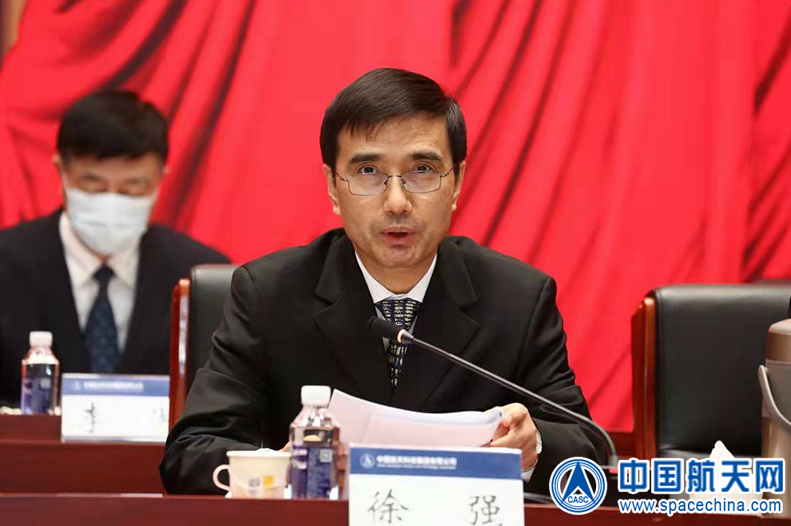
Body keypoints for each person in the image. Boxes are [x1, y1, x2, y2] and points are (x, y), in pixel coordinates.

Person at [160, 68, 606, 494]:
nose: (396, 202)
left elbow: (587, 451)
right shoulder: (269, 294)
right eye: (368, 172)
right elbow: (191, 453)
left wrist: (534, 445)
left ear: (457, 183)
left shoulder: (517, 299)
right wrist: (284, 468)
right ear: (333, 186)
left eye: (422, 170)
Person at [0, 91, 229, 406]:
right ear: (61, 172)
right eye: (93, 185)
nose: (112, 201)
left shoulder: (200, 276)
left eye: (133, 187)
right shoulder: (7, 263)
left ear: (160, 179)